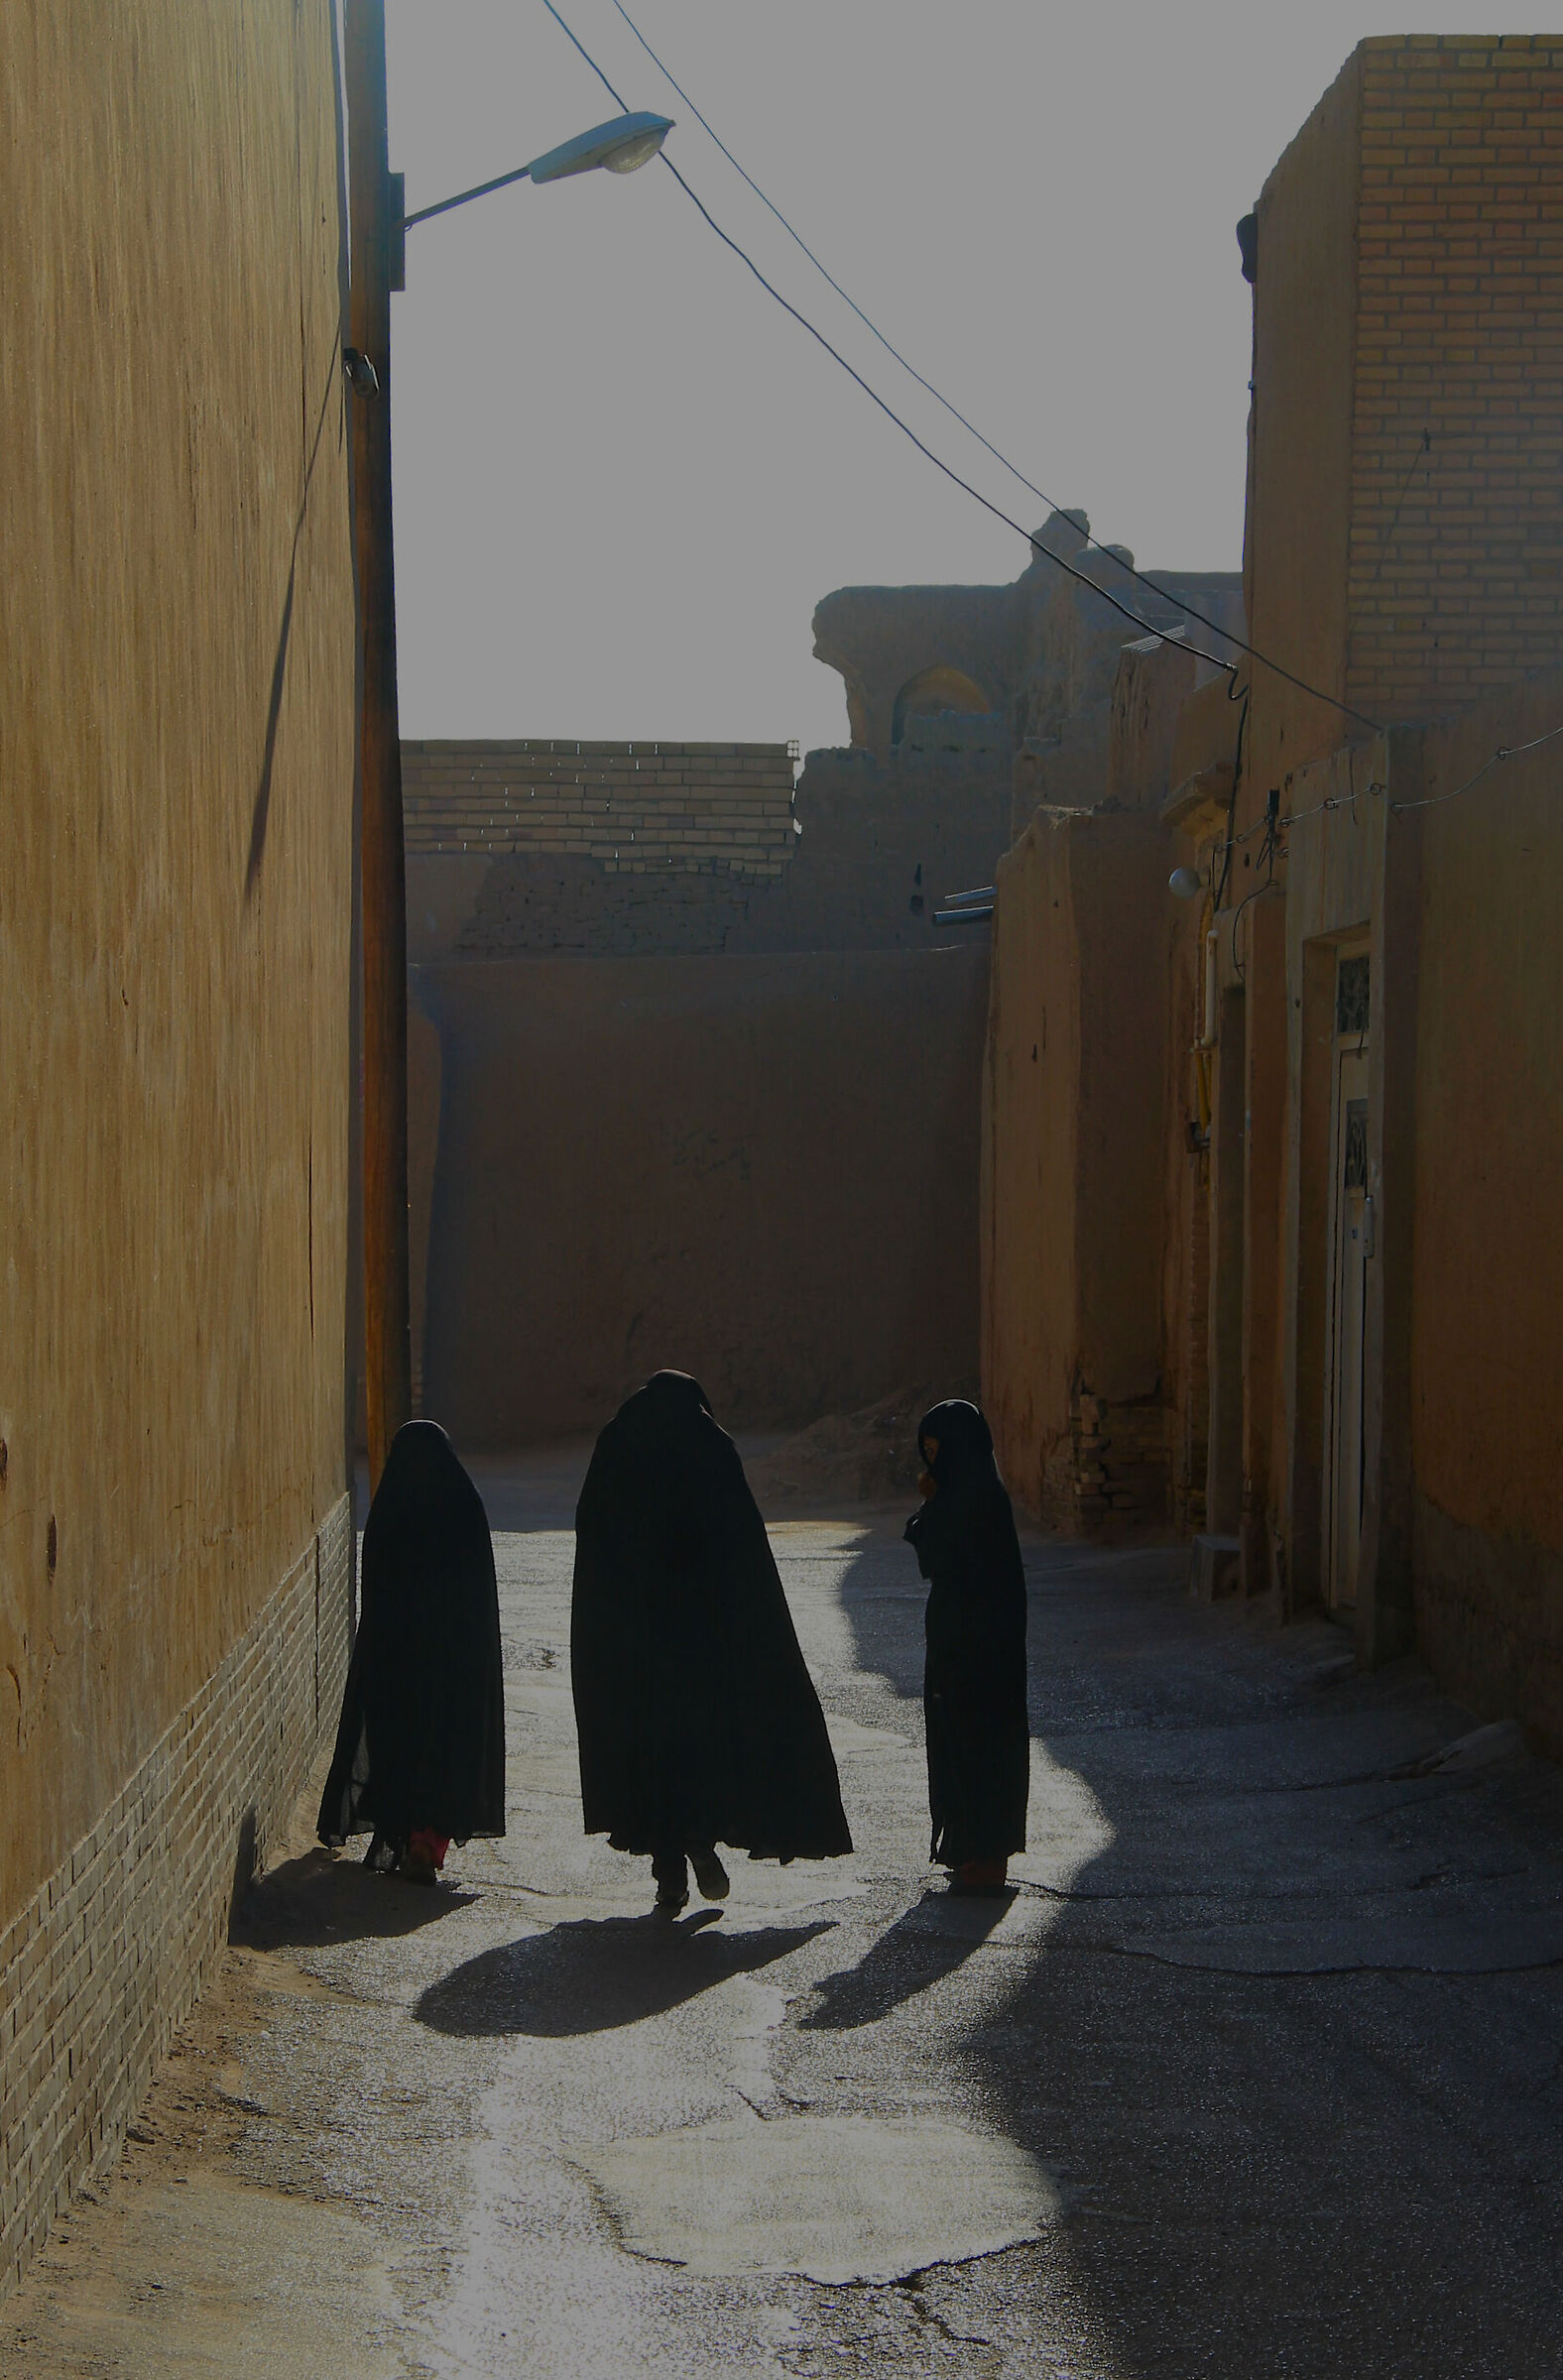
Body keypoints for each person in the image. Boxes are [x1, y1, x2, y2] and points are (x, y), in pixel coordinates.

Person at [572, 1369, 852, 1914]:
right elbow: (743, 1549)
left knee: (649, 1755)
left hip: (635, 1643)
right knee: (696, 1751)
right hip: (700, 1644)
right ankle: (698, 1842)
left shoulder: (617, 1444)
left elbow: (594, 1539)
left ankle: (670, 1873)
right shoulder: (709, 1445)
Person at [318, 1419, 505, 1883]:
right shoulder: (465, 1505)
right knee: (446, 1748)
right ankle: (428, 1840)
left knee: (400, 1745)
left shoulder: (391, 1509)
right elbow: (482, 1597)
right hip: (454, 1665)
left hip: (398, 1664)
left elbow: (377, 1592)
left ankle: (404, 1836)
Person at [904, 1399, 1028, 1895]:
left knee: (983, 1744)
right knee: (956, 1742)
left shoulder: (979, 1499)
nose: (932, 1463)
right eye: (927, 1453)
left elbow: (937, 1556)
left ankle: (986, 1852)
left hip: (983, 1647)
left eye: (938, 1452)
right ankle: (965, 1847)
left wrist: (930, 1507)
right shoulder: (965, 1492)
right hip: (958, 1642)